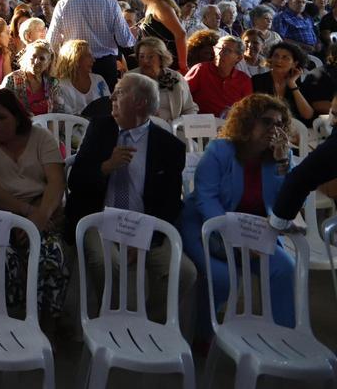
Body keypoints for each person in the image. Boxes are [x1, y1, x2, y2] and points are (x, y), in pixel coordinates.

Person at [65, 73, 196, 332]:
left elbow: (171, 203)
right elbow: (76, 181)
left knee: (184, 272)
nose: (112, 98)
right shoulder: (100, 129)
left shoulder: (169, 146)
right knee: (106, 262)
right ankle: (112, 321)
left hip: (145, 225)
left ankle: (149, 324)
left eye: (120, 93)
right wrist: (106, 167)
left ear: (139, 102)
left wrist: (145, 239)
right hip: (100, 219)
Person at [178, 94, 296, 336]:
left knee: (285, 268)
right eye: (266, 122)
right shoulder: (220, 150)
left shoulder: (282, 157)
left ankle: (283, 337)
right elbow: (205, 198)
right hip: (207, 226)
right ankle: (204, 334)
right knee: (223, 278)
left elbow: (285, 205)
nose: (274, 129)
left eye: (279, 123)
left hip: (255, 231)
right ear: (248, 122)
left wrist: (281, 165)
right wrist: (236, 239)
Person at [0, 88, 69, 320]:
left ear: (17, 118)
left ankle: (46, 320)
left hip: (42, 210)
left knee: (49, 256)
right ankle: (11, 319)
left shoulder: (40, 137)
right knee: (5, 262)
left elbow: (56, 181)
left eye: (1, 117)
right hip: (2, 213)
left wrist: (39, 217)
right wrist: (25, 215)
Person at [46, 0, 135, 89]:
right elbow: (125, 41)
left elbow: (52, 41)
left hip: (74, 63)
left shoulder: (63, 4)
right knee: (104, 104)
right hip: (105, 65)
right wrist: (133, 35)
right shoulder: (110, 3)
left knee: (77, 105)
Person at [184, 35, 252, 116]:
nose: (220, 53)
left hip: (229, 124)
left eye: (227, 51)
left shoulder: (243, 80)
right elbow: (181, 95)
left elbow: (248, 110)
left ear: (238, 58)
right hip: (201, 123)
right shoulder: (200, 70)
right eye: (218, 48)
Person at [133, 37, 197, 122]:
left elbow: (189, 109)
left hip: (173, 129)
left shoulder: (176, 78)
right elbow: (122, 110)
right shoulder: (130, 79)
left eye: (150, 56)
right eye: (142, 56)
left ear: (161, 58)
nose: (145, 60)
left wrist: (182, 127)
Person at [134, 0, 189, 70]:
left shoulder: (160, 5)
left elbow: (180, 34)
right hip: (155, 60)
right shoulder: (150, 5)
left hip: (167, 61)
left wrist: (183, 64)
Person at [252, 41, 315, 125]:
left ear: (294, 64)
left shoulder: (301, 82)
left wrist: (292, 84)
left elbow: (308, 115)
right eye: (276, 56)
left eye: (285, 58)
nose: (279, 60)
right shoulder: (257, 80)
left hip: (294, 126)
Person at [0, 39, 61, 116]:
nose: (36, 62)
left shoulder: (52, 82)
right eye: (34, 56)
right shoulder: (12, 79)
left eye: (42, 59)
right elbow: (1, 106)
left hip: (46, 126)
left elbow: (59, 111)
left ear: (48, 63)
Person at [52, 38, 110, 116]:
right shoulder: (60, 86)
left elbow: (108, 105)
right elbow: (64, 117)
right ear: (75, 59)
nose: (93, 60)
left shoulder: (98, 80)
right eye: (88, 56)